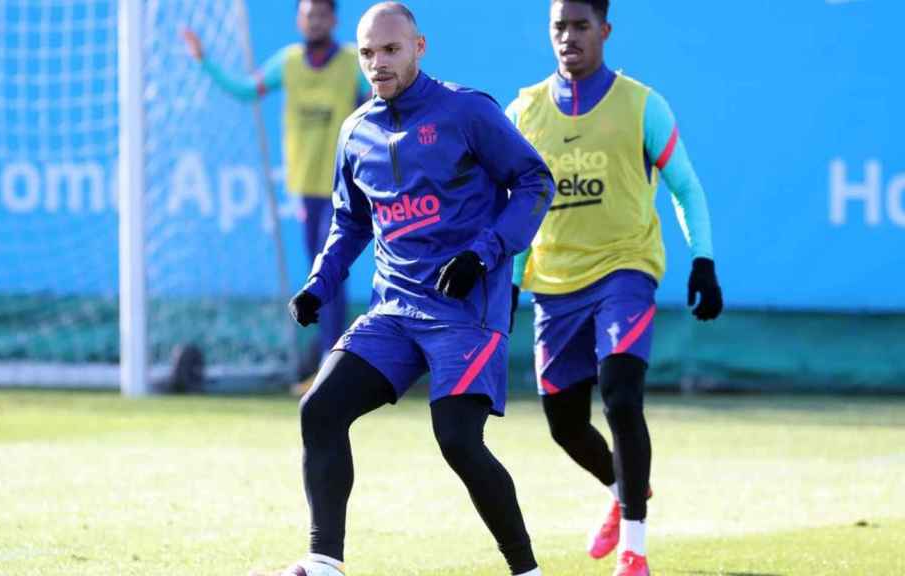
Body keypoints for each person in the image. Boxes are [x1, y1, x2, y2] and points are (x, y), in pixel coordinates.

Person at [260, 3, 555, 575]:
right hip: (394, 312)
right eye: (367, 53)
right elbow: (350, 222)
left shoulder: (467, 111)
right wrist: (318, 286)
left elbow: (534, 180)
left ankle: (527, 571)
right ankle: (324, 564)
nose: (378, 63)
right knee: (319, 410)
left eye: (390, 50)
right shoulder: (356, 130)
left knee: (457, 440)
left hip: (467, 311)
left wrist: (483, 253)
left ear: (420, 47)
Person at [507, 1, 724, 575]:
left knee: (622, 396)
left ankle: (634, 550)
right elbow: (518, 207)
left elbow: (687, 187)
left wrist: (702, 259)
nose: (569, 37)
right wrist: (507, 283)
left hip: (625, 270)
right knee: (565, 425)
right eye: (559, 27)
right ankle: (626, 487)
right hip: (553, 285)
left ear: (605, 31)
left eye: (581, 26)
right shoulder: (523, 112)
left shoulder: (642, 105)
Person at [183, 0, 370, 383]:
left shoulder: (354, 63)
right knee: (321, 272)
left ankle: (331, 365)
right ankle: (330, 362)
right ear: (299, 21)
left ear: (333, 20)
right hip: (306, 187)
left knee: (329, 271)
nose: (314, 21)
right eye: (308, 15)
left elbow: (381, 98)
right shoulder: (289, 63)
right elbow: (245, 89)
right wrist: (205, 62)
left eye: (321, 15)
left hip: (346, 188)